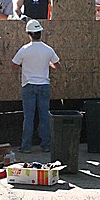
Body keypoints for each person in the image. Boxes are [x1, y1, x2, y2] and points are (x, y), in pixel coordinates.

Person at [11, 19, 61, 153]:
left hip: (28, 86)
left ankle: (26, 146)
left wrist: (25, 65)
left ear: (29, 34)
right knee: (44, 116)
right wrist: (47, 64)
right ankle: (46, 145)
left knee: (29, 117)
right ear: (40, 33)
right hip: (44, 85)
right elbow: (57, 65)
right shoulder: (48, 49)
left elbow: (14, 65)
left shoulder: (24, 50)